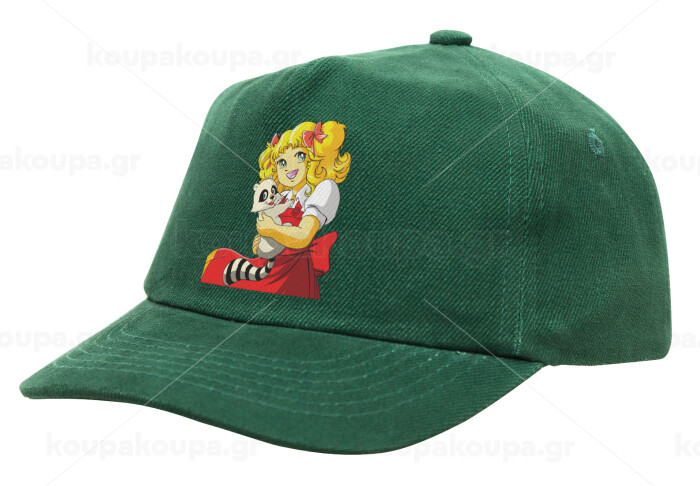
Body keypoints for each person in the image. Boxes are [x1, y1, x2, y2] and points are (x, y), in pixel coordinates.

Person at [200, 121, 352, 299]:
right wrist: (264, 240)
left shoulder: (324, 188)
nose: (289, 167)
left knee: (220, 272)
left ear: (316, 158)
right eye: (281, 162)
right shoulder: (284, 196)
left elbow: (303, 235)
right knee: (219, 259)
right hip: (267, 266)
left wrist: (272, 230)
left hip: (289, 274)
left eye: (300, 156)